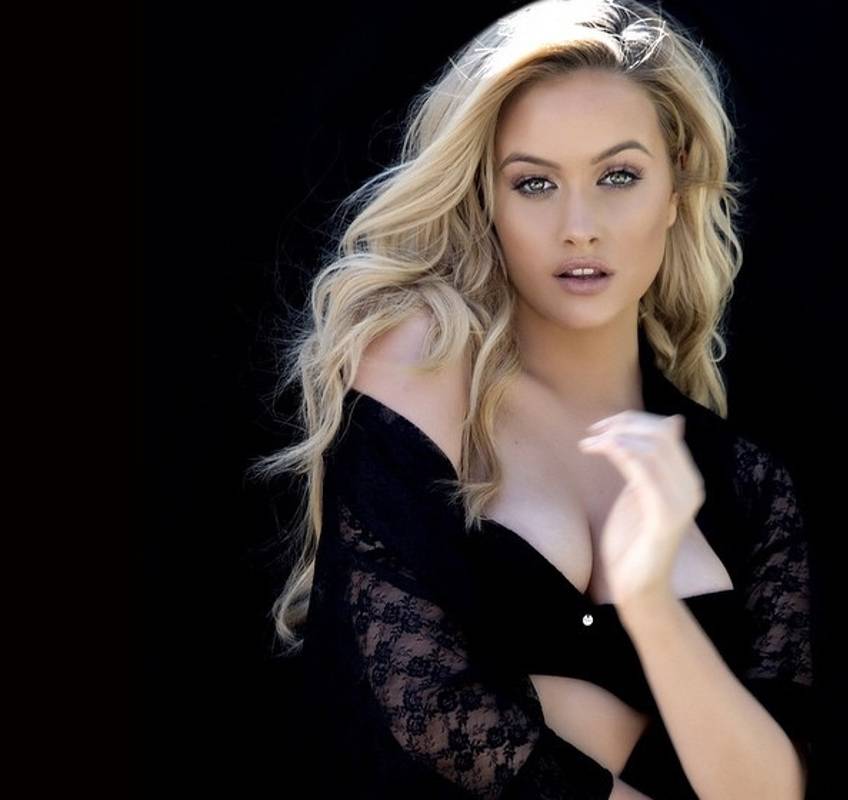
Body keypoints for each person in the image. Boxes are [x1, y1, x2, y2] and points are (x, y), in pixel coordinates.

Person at [249, 2, 814, 797]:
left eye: (618, 176)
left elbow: (772, 788)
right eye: (535, 183)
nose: (579, 227)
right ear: (487, 196)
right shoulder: (420, 367)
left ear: (676, 185)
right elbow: (416, 714)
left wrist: (650, 606)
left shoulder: (748, 487)